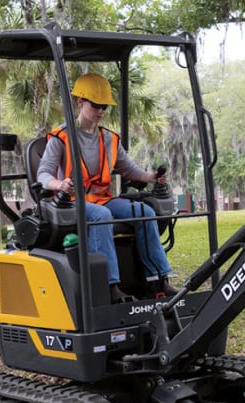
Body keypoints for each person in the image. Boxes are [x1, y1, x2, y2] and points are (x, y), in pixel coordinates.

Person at [37, 73, 178, 302]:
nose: (101, 111)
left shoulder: (109, 139)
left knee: (145, 212)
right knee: (102, 216)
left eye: (105, 106)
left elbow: (129, 170)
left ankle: (158, 281)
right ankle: (110, 287)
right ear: (80, 102)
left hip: (102, 198)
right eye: (96, 105)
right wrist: (60, 184)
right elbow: (43, 174)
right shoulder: (61, 138)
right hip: (73, 203)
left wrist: (151, 177)